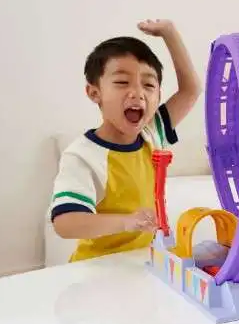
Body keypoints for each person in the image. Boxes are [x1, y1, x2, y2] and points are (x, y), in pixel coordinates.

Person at [50, 19, 201, 262]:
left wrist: (170, 33)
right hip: (95, 266)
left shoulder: (152, 133)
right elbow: (65, 223)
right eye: (122, 82)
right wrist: (126, 222)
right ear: (94, 92)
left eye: (149, 85)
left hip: (142, 261)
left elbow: (190, 90)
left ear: (158, 96)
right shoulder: (82, 155)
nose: (138, 93)